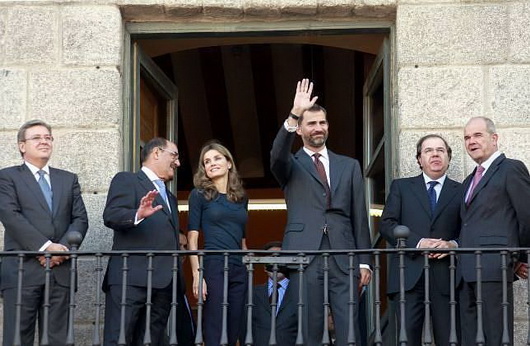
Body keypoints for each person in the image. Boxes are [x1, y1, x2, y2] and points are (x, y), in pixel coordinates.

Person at [270, 79, 372, 345]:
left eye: (322, 123)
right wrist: (294, 113)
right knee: (309, 329)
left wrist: (364, 260)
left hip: (344, 253)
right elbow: (276, 155)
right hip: (305, 254)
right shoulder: (290, 164)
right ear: (301, 129)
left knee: (350, 330)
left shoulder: (349, 165)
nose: (318, 128)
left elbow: (359, 215)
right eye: (311, 123)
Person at [0, 119, 89, 346]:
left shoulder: (68, 179)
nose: (44, 141)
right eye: (37, 138)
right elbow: (11, 217)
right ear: (22, 146)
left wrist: (61, 250)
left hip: (61, 271)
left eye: (48, 137)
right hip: (23, 270)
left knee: (58, 340)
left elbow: (80, 219)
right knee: (18, 339)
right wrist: (46, 247)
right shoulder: (7, 177)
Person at [102, 137, 194, 346]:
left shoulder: (169, 197)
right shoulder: (127, 180)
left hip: (164, 285)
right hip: (131, 279)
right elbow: (111, 215)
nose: (178, 163)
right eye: (174, 156)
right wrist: (138, 214)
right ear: (156, 153)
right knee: (119, 340)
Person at [380, 134, 462, 346]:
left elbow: (470, 229)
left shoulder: (462, 190)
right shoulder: (401, 187)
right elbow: (387, 224)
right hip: (408, 276)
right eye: (428, 151)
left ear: (448, 157)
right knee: (406, 340)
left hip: (448, 278)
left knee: (450, 340)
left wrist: (452, 245)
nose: (435, 154)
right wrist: (418, 243)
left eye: (440, 150)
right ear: (419, 159)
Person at [458, 116, 530, 345]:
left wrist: (518, 258)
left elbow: (527, 216)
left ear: (494, 138)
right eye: (467, 137)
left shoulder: (511, 168)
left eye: (478, 135)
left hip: (494, 267)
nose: (471, 141)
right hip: (466, 271)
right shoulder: (469, 180)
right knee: (471, 339)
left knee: (496, 337)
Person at [187, 141, 248, 346]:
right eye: (206, 161)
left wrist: (247, 266)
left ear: (229, 163)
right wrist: (198, 274)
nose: (212, 163)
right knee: (215, 327)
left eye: (217, 158)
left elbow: (242, 239)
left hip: (239, 267)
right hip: (213, 265)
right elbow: (192, 238)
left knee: (234, 327)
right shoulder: (199, 195)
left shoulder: (241, 198)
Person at [245, 241, 298, 346]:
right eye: (271, 259)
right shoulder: (252, 293)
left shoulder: (299, 293)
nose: (275, 264)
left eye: (279, 259)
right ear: (264, 267)